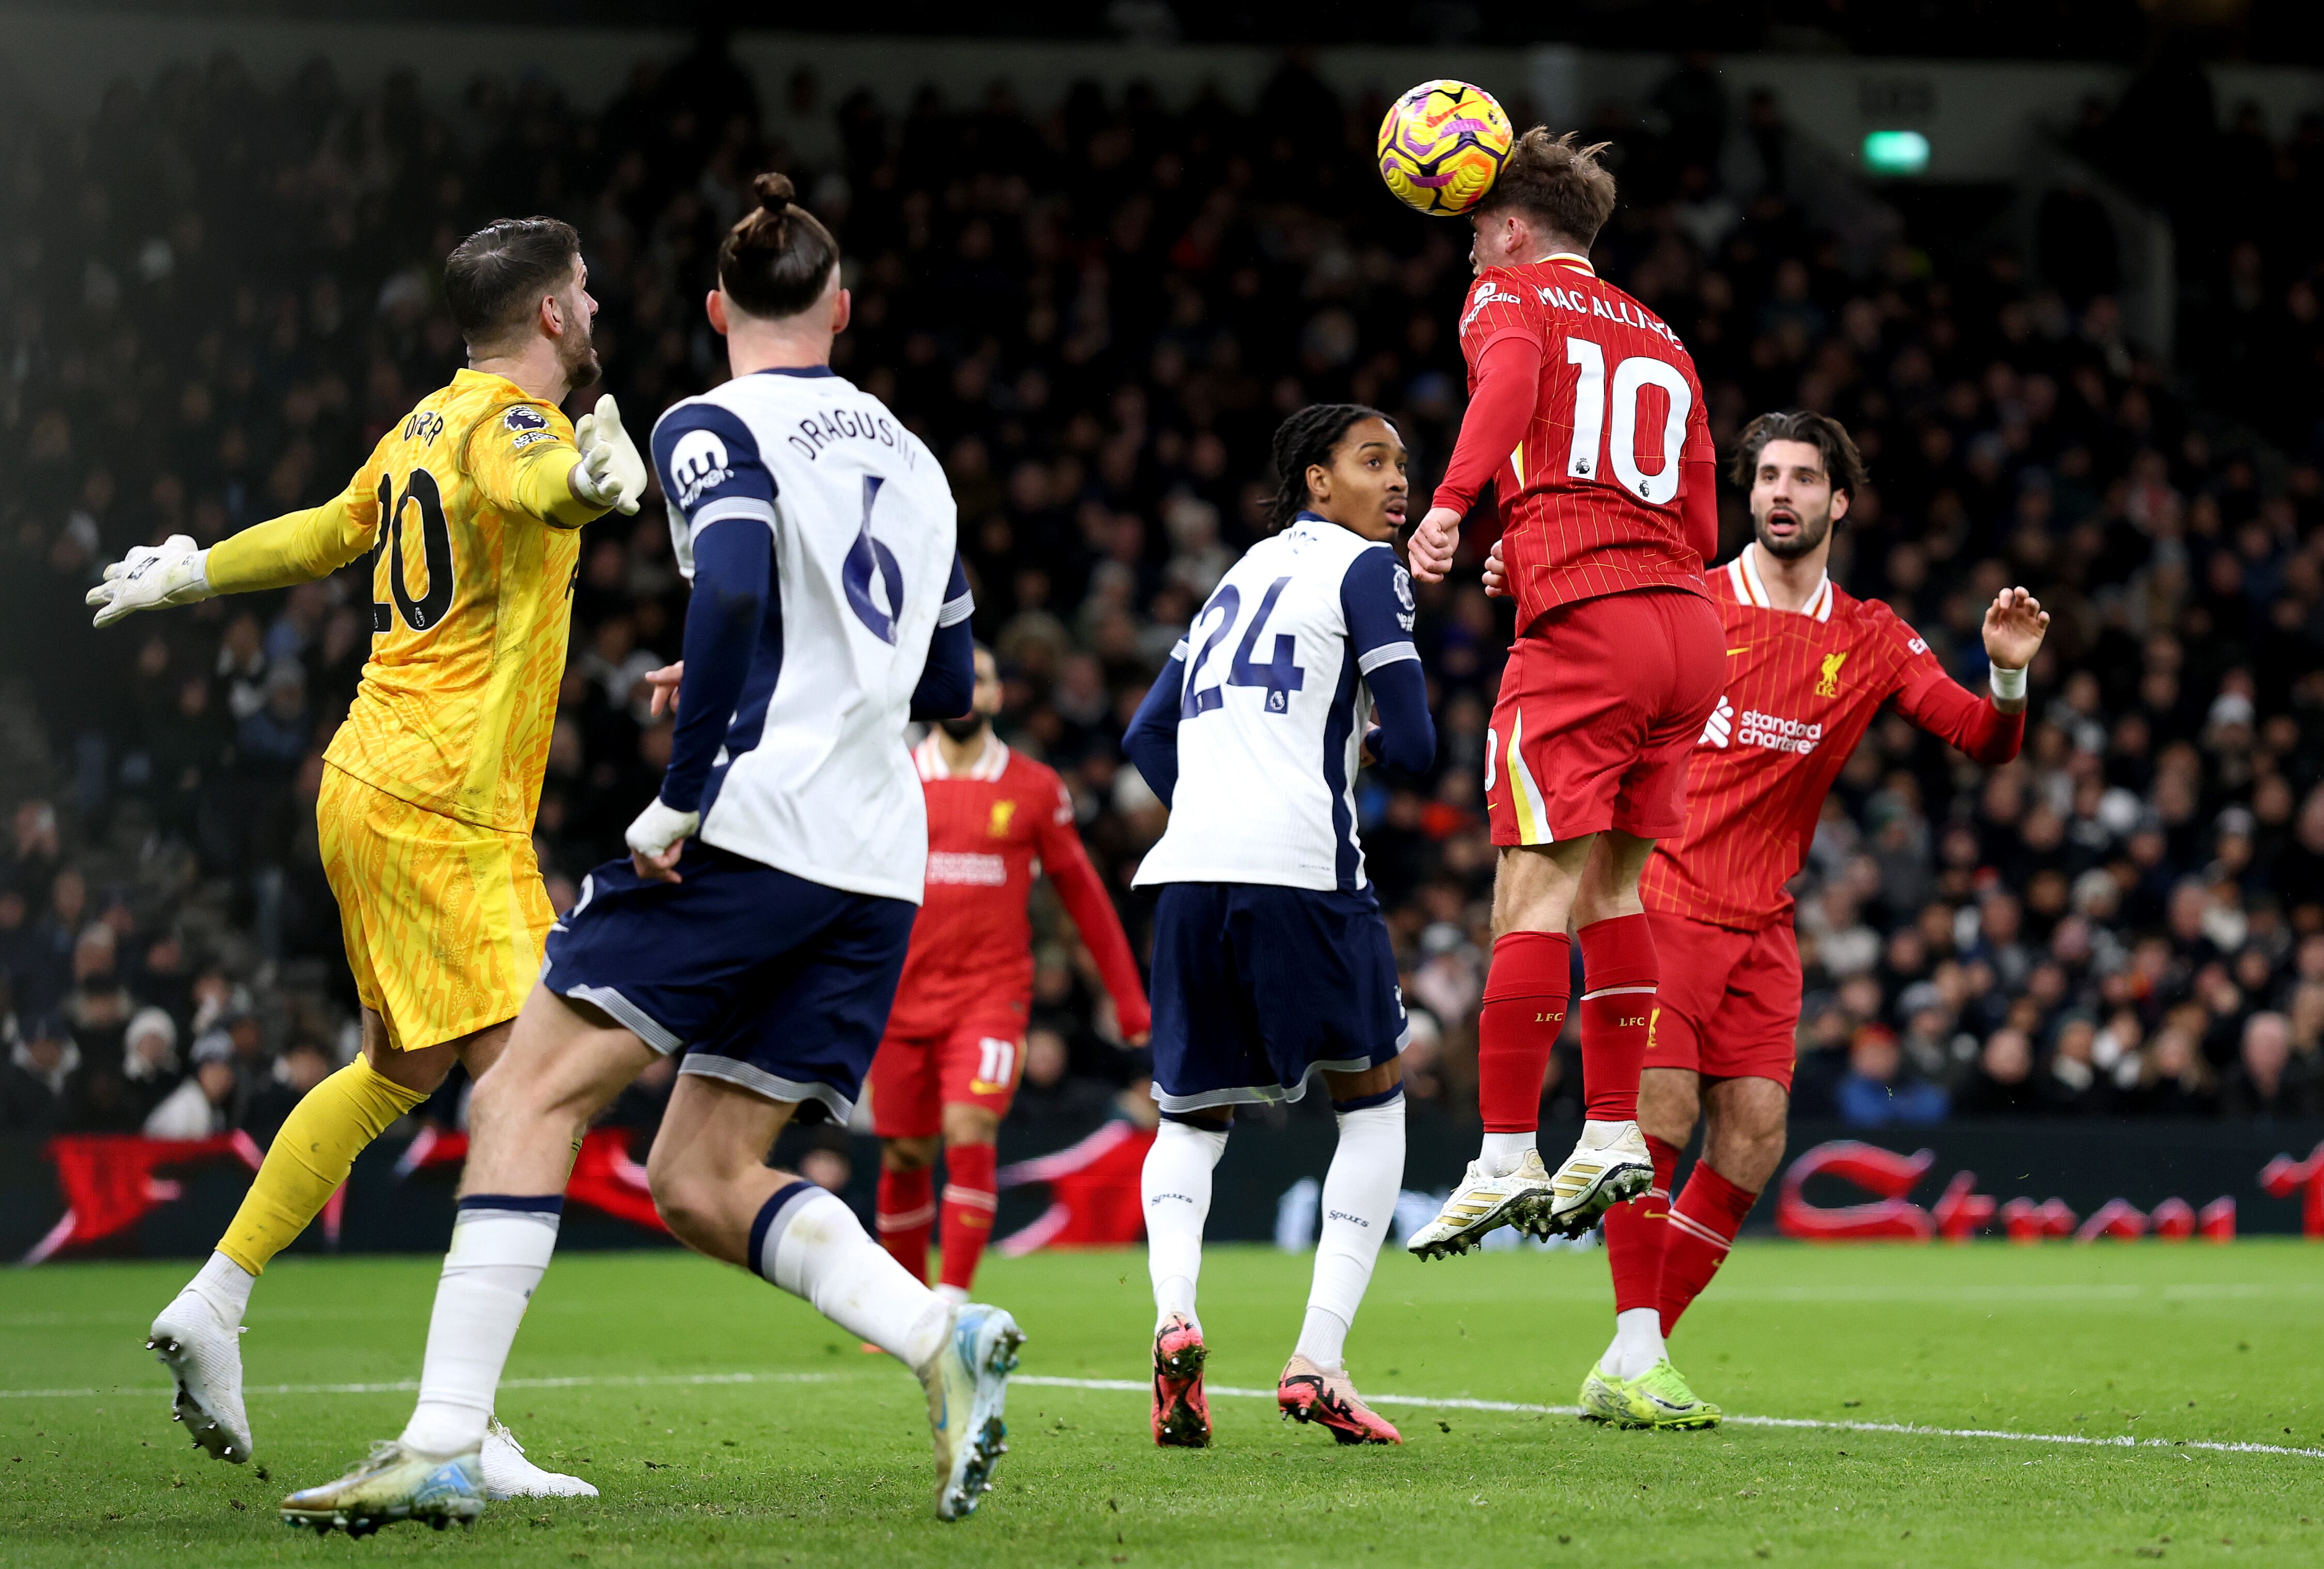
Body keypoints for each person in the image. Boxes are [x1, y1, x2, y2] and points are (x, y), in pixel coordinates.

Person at [277, 173, 1018, 1535]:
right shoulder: (917, 461)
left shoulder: (706, 424)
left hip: (746, 830)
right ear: (840, 310)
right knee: (700, 1176)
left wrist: (682, 795)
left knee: (521, 1098)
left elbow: (735, 575)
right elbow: (954, 680)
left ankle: (444, 1438)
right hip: (875, 860)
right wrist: (787, 669)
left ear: (716, 308)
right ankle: (936, 1332)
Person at [87, 213, 644, 1496]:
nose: (597, 305)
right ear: (552, 314)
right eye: (585, 290)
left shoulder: (416, 428)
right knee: (531, 1098)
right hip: (445, 807)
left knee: (405, 1069)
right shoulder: (518, 428)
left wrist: (194, 573)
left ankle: (218, 1299)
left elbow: (328, 532)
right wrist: (586, 486)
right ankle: (463, 1426)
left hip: (374, 783)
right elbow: (533, 484)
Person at [1481, 409, 2046, 1427]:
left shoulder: (1869, 636)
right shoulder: (1686, 602)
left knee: (1751, 1138)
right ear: (1747, 496)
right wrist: (1520, 575)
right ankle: (1639, 1350)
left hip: (1764, 924)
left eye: (1801, 479)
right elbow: (1585, 630)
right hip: (1658, 903)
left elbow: (1980, 739)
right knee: (1656, 1120)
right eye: (1766, 477)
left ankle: (1631, 1352)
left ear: (1838, 501)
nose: (1779, 493)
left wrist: (2005, 673)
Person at [1403, 130, 1726, 1259]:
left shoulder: (1508, 297)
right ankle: (1609, 1137)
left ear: (1512, 229)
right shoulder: (1667, 337)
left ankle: (1502, 1157)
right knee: (1613, 895)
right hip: (1687, 631)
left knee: (1525, 898)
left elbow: (1514, 387)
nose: (1468, 255)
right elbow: (1696, 525)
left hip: (1586, 636)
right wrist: (1530, 540)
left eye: (1473, 233)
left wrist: (1452, 505)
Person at [1121, 403, 1434, 1449]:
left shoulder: (1234, 579)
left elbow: (1143, 731)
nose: (1398, 483)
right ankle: (1319, 1362)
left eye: (1403, 466)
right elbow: (1423, 744)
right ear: (1316, 481)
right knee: (1375, 1107)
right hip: (1303, 873)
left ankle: (1174, 1321)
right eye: (1372, 461)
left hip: (1189, 873)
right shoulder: (1364, 571)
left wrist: (1213, 800)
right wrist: (1368, 744)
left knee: (1189, 1122)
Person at [867, 643, 1153, 1303]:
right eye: (953, 680)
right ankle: (900, 1309)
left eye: (982, 680)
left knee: (969, 1129)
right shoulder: (893, 778)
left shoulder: (1032, 788)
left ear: (999, 696)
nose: (967, 691)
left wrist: (1129, 1001)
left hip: (989, 1000)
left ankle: (951, 1305)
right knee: (905, 1155)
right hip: (899, 999)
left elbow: (1083, 894)